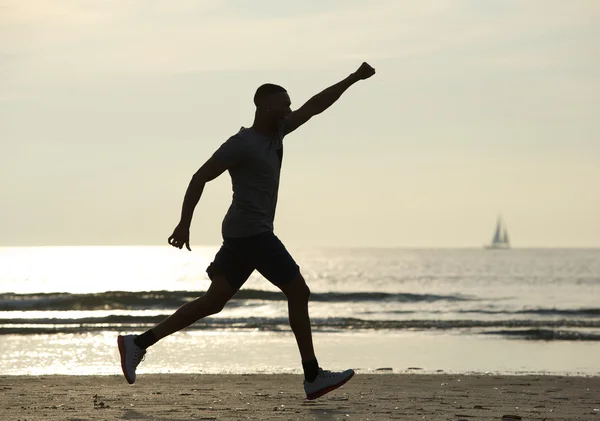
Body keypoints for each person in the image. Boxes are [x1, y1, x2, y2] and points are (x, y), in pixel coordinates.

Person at [118, 62, 376, 400]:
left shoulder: (278, 133)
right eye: (284, 104)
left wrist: (353, 78)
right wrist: (184, 222)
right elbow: (200, 177)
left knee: (214, 301)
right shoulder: (241, 143)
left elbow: (315, 106)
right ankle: (312, 375)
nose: (288, 110)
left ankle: (137, 343)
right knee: (298, 292)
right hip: (252, 233)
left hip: (242, 234)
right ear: (267, 107)